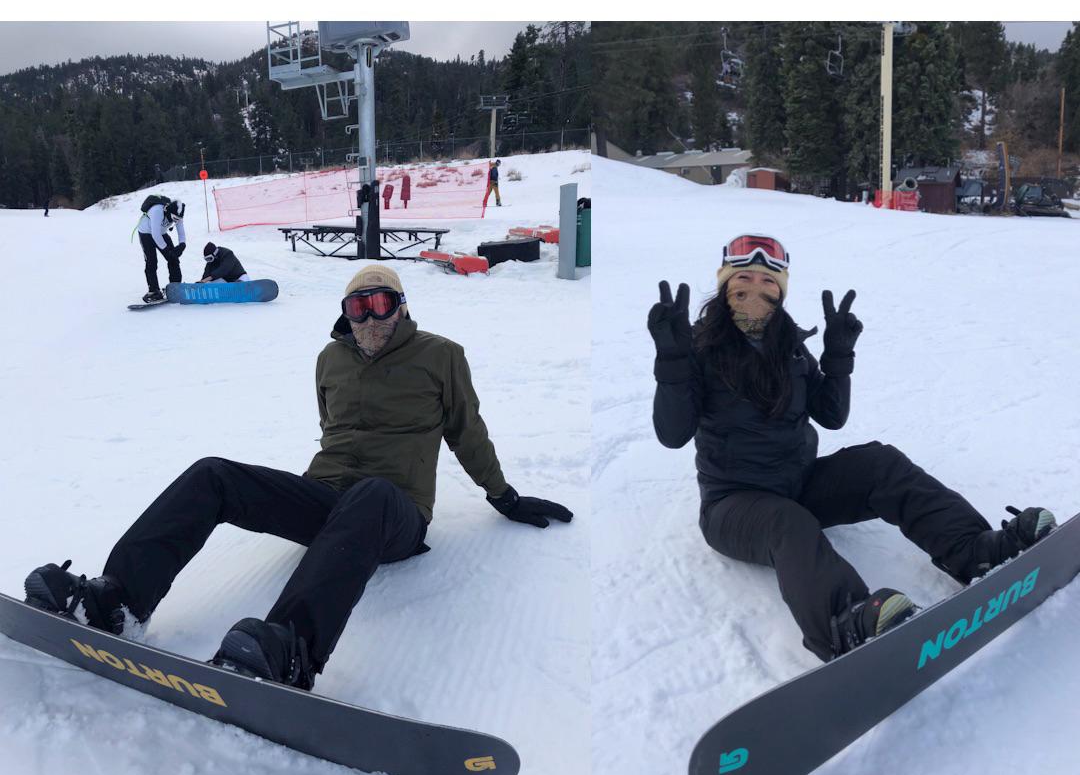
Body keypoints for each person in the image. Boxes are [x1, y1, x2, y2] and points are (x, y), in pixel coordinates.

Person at [24, 264, 572, 691]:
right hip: (327, 502)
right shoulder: (329, 360)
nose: (370, 317)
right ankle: (117, 600)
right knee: (214, 474)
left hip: (393, 515)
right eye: (358, 307)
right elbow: (329, 428)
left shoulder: (442, 356)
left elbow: (466, 431)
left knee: (372, 493)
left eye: (381, 303)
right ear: (346, 314)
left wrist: (504, 497)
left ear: (402, 307)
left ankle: (289, 648)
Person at [648, 233, 1055, 662]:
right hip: (734, 505)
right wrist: (672, 362)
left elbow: (831, 415)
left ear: (781, 290)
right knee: (785, 522)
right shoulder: (697, 348)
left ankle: (977, 552)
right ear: (726, 284)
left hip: (798, 485)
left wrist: (838, 357)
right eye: (743, 277)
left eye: (769, 281)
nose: (756, 289)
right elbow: (672, 434)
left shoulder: (790, 348)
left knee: (880, 462)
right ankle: (845, 623)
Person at [135, 195, 186, 303]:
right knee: (151, 261)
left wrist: (182, 245)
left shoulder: (178, 213)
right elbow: (155, 235)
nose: (176, 222)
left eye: (179, 220)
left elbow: (181, 232)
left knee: (174, 259)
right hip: (146, 233)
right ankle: (153, 291)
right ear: (168, 211)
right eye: (175, 219)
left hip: (161, 233)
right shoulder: (157, 210)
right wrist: (167, 250)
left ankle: (175, 286)